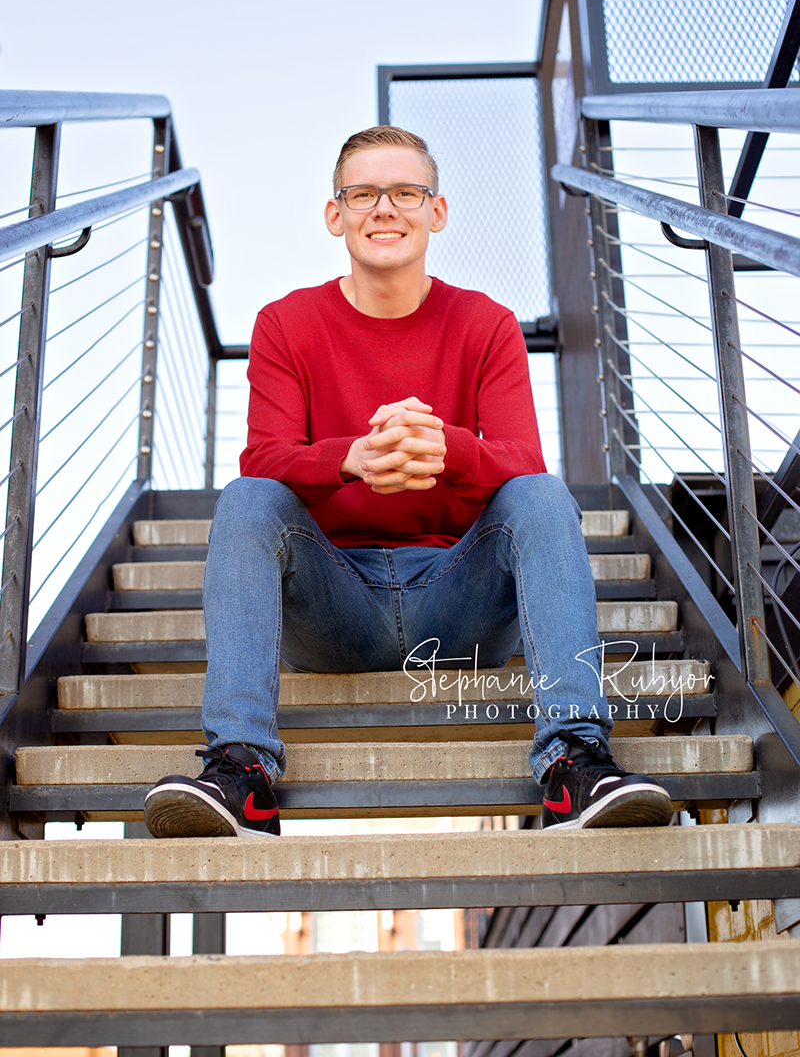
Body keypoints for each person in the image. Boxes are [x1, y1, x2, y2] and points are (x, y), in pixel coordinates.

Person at [144, 125, 673, 839]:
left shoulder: (486, 324)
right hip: (336, 608)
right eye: (363, 193)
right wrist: (350, 459)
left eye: (405, 192)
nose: (384, 209)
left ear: (437, 210)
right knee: (247, 500)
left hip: (459, 604)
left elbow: (522, 459)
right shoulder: (285, 324)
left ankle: (576, 761)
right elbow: (263, 460)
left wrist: (447, 449)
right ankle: (241, 770)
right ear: (337, 215)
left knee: (543, 496)